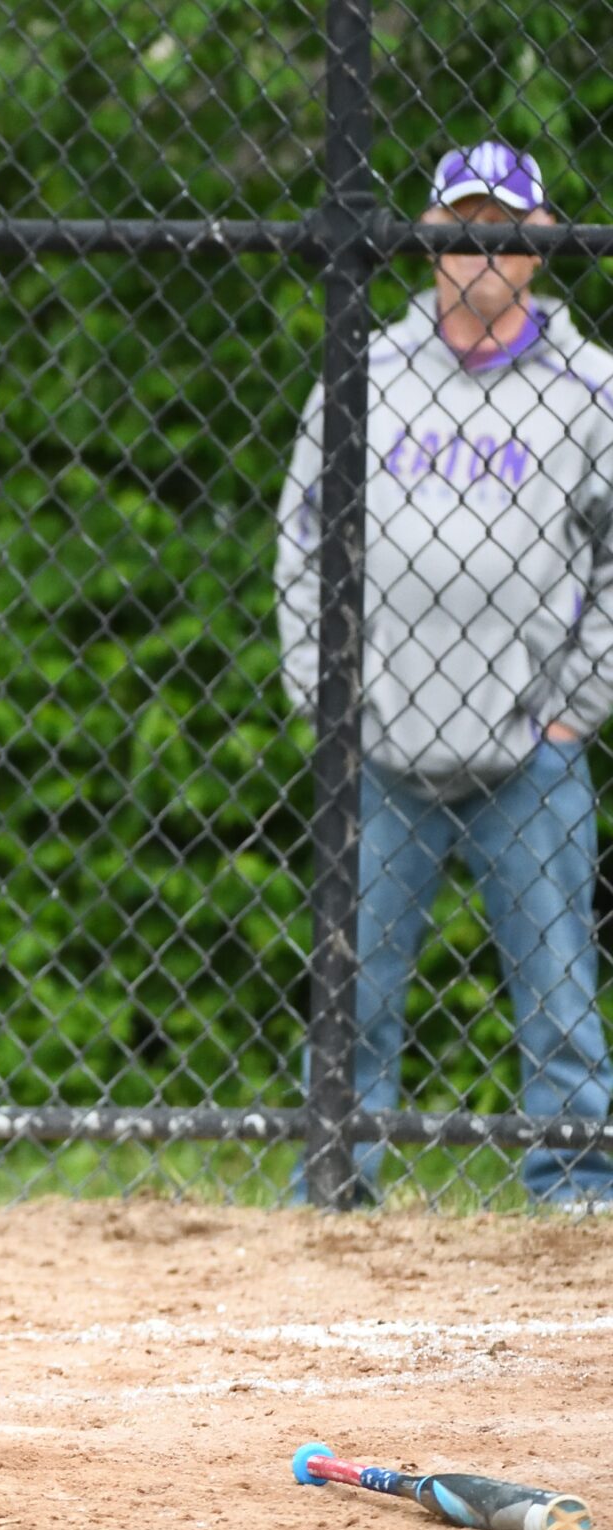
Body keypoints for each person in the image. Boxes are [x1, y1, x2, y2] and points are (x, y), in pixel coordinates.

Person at [277, 141, 613, 1208]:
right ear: (427, 237)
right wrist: (328, 700)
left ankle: (574, 1181)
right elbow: (301, 543)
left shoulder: (594, 389)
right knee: (353, 989)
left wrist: (577, 709)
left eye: (502, 225)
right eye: (460, 220)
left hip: (529, 747)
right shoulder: (363, 373)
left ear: (540, 245)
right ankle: (336, 1177)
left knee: (558, 989)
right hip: (380, 745)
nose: (480, 243)